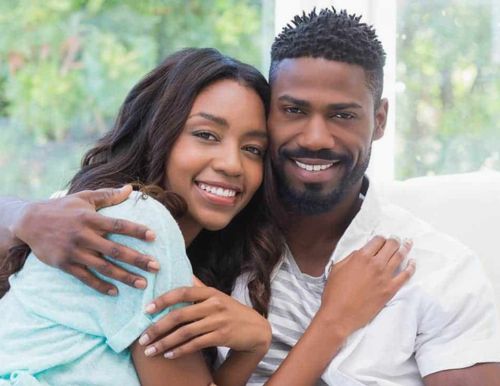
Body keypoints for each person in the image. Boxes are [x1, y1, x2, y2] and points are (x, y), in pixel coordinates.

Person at [4, 6, 495, 386]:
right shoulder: (130, 229)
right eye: (293, 109)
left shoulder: (432, 269)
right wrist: (27, 214)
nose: (317, 137)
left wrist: (250, 349)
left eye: (343, 115)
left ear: (380, 120)